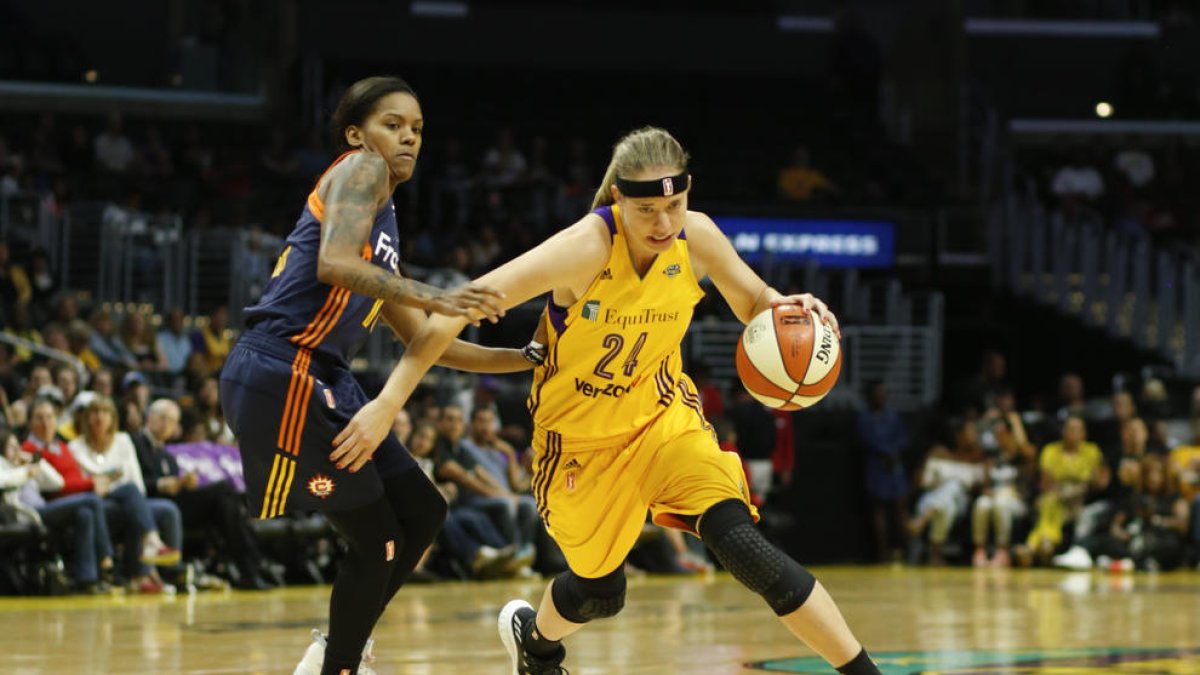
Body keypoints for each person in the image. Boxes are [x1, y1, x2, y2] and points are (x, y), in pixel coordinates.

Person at [329, 126, 884, 675]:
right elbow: (455, 307)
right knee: (600, 592)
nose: (664, 223)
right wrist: (388, 402)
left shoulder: (699, 238)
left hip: (663, 424)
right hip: (578, 446)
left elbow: (756, 299)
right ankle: (536, 642)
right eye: (646, 209)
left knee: (743, 545)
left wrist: (786, 306)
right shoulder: (584, 250)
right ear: (618, 197)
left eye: (675, 205)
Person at [216, 75, 531, 675]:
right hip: (284, 366)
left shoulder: (382, 227)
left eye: (417, 129)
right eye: (394, 124)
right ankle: (339, 663)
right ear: (358, 134)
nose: (409, 137)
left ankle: (336, 651)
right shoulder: (359, 169)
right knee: (378, 537)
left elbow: (425, 342)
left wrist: (529, 359)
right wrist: (440, 294)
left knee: (423, 514)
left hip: (322, 376)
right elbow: (334, 265)